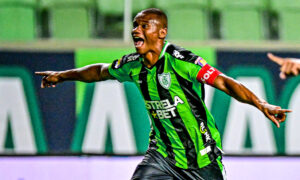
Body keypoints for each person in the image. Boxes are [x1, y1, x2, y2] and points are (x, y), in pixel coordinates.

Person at [36, 8, 291, 180]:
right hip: (162, 156)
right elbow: (100, 71)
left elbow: (224, 83)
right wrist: (63, 75)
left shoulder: (182, 61)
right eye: (135, 26)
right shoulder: (133, 64)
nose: (136, 30)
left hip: (202, 158)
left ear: (161, 32)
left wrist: (260, 103)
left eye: (143, 26)